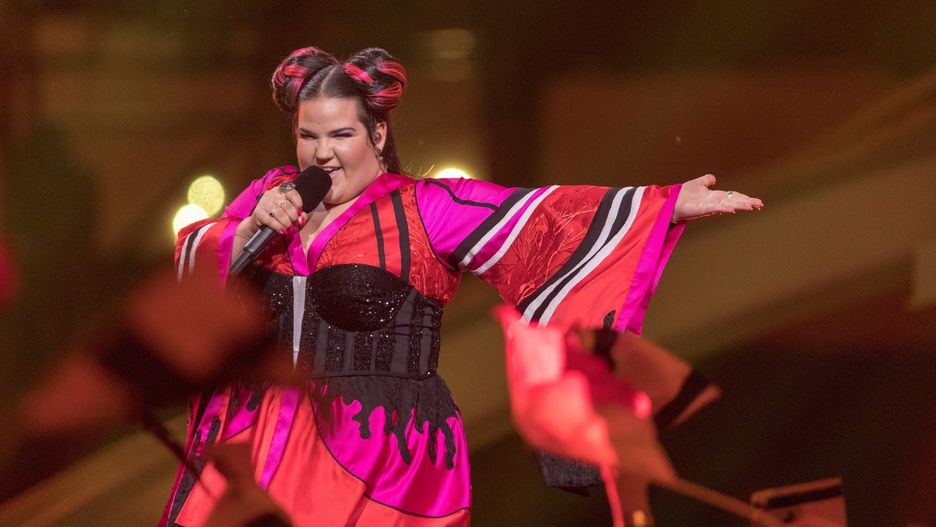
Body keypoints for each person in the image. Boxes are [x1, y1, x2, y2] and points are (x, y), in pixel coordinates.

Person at [160, 46, 763, 527]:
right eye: (307, 136)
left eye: (340, 136)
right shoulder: (270, 195)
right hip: (256, 437)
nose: (322, 154)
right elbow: (191, 274)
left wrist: (666, 203)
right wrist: (247, 231)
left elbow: (542, 220)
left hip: (381, 452)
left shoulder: (426, 209)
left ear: (376, 135)